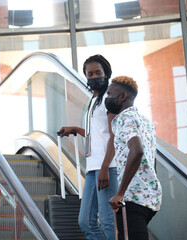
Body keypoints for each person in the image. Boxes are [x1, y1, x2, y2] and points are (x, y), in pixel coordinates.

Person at [59, 54, 118, 240]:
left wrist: (105, 167)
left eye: (98, 72)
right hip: (93, 167)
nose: (94, 77)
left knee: (108, 222)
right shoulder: (93, 100)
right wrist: (76, 129)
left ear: (106, 73)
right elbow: (98, 132)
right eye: (90, 74)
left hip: (106, 167)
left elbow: (114, 135)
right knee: (85, 221)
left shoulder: (109, 98)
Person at [106, 76, 162, 240]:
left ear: (122, 96)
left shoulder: (125, 118)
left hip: (132, 197)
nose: (107, 98)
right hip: (150, 198)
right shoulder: (146, 123)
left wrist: (120, 193)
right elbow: (153, 160)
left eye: (110, 94)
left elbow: (137, 151)